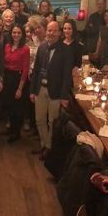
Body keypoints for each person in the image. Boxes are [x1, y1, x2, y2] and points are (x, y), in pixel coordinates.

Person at [30, 21, 73, 156]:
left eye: (54, 31)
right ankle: (44, 144)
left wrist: (64, 96)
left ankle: (50, 148)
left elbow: (67, 75)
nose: (51, 33)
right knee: (39, 119)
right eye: (49, 30)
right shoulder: (42, 47)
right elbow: (36, 70)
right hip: (40, 89)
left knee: (52, 121)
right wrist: (32, 90)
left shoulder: (66, 50)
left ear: (59, 33)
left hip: (56, 92)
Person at [3, 24, 30, 143]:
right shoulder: (7, 46)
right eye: (14, 32)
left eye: (19, 32)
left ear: (22, 34)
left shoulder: (25, 49)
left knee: (17, 108)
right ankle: (11, 129)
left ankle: (16, 132)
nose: (16, 35)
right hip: (7, 78)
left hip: (18, 79)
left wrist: (20, 88)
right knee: (9, 105)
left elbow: (25, 69)